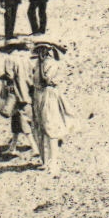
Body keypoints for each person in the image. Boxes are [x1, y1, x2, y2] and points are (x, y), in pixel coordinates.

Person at [28, 41, 73, 176]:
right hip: (38, 95)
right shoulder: (38, 64)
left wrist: (41, 66)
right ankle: (44, 160)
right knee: (39, 127)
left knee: (50, 127)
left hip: (48, 95)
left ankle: (53, 162)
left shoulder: (51, 64)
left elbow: (47, 79)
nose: (41, 54)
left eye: (43, 51)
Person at [0, 42, 35, 156]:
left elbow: (10, 76)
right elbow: (31, 74)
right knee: (17, 119)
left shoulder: (9, 59)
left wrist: (3, 78)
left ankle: (34, 147)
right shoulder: (25, 59)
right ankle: (13, 147)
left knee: (21, 119)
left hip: (15, 92)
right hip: (26, 91)